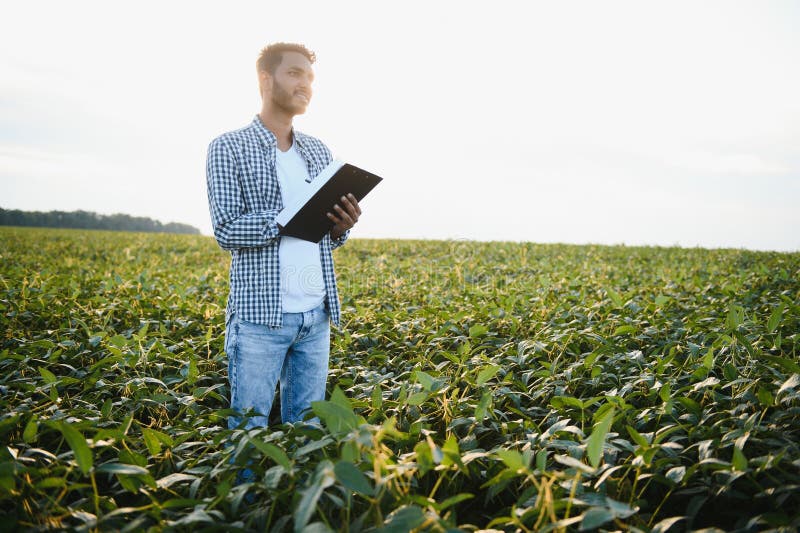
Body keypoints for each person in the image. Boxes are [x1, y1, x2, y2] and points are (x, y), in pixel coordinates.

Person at [206, 42, 361, 429]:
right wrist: (285, 219)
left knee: (307, 434)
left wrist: (341, 226)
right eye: (294, 73)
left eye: (309, 76)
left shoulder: (318, 151)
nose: (305, 83)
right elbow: (226, 229)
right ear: (265, 78)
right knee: (247, 432)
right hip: (260, 319)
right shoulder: (228, 147)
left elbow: (326, 239)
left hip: (316, 316)